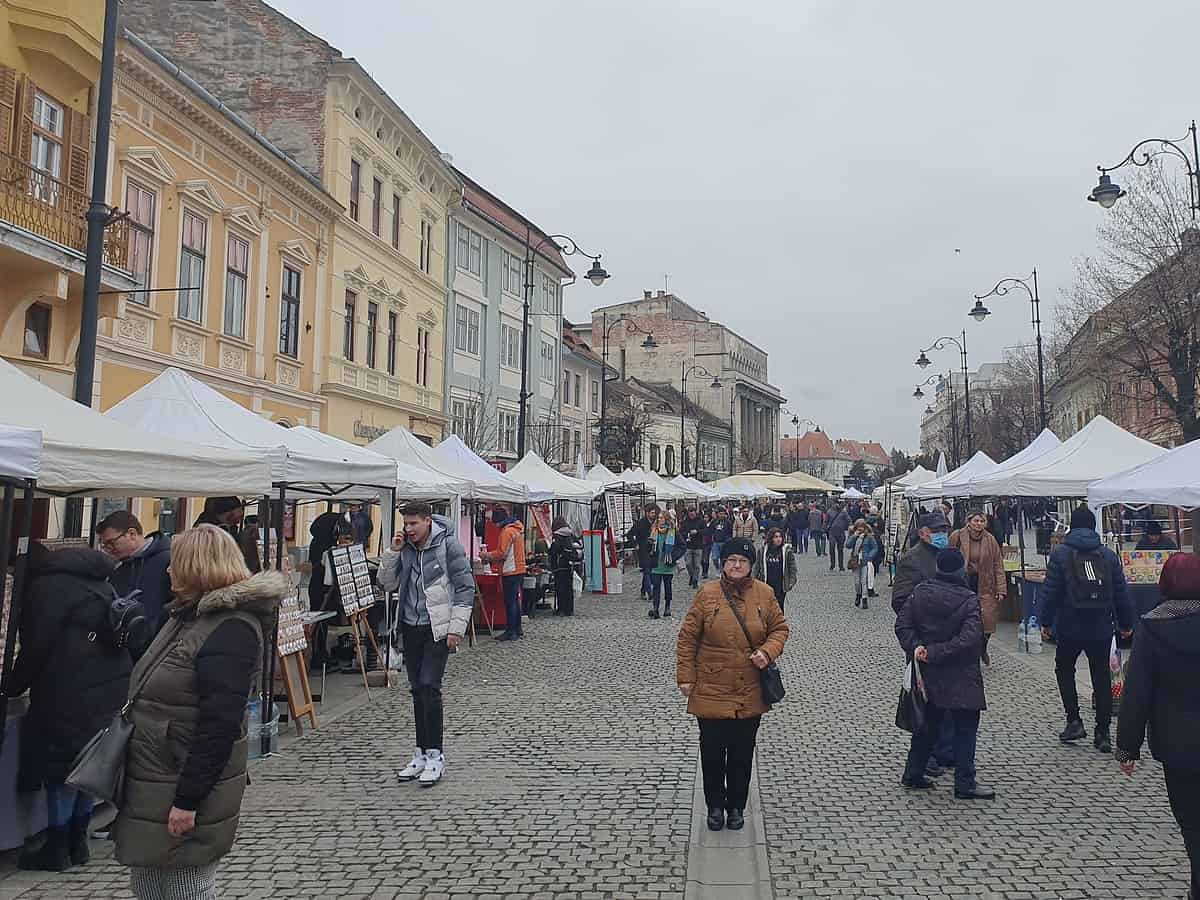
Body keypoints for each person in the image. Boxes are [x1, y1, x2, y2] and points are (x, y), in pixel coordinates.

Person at [113, 525, 287, 898]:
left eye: (175, 564)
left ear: (197, 568)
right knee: (151, 883)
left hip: (183, 782)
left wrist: (188, 800)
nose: (167, 571)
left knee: (185, 886)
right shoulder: (188, 617)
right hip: (156, 779)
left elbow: (219, 724)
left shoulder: (231, 628)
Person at [5, 542, 131, 871]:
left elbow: (36, 646)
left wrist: (11, 686)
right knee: (88, 765)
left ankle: (57, 847)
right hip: (106, 685)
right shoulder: (96, 580)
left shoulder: (47, 587)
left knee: (61, 769)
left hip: (67, 687)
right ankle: (78, 841)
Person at [676, 538, 790, 832]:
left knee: (741, 753)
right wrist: (686, 676)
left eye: (742, 560)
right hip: (711, 685)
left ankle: (736, 807)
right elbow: (688, 637)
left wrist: (767, 652)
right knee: (712, 753)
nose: (736, 565)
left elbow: (780, 628)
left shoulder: (764, 594)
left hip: (749, 687)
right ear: (723, 564)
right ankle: (715, 806)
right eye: (731, 560)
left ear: (751, 565)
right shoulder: (707, 593)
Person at [1116, 553, 1200, 899]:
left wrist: (1127, 747)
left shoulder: (1153, 626)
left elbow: (1138, 691)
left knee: (1192, 823)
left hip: (1177, 744)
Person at [378, 502, 475, 787]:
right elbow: (386, 583)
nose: (408, 530)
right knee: (417, 690)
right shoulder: (405, 548)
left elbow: (465, 587)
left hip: (438, 628)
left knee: (430, 686)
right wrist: (393, 552)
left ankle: (436, 755)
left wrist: (456, 628)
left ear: (428, 521)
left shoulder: (449, 546)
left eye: (413, 524)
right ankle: (420, 752)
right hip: (410, 627)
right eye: (405, 525)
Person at [895, 547, 995, 800]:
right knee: (965, 728)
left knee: (927, 725)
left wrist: (919, 648)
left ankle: (913, 772)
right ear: (960, 569)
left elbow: (903, 625)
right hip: (960, 673)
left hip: (928, 672)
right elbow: (971, 638)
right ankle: (965, 783)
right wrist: (936, 651)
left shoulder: (920, 593)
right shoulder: (968, 599)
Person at [1040, 506, 1134, 753]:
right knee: (1101, 676)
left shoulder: (1060, 554)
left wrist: (1046, 622)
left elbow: (1049, 592)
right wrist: (1126, 624)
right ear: (1093, 526)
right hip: (1101, 625)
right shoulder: (1108, 555)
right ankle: (1103, 733)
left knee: (1064, 669)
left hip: (1070, 625)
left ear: (1072, 525)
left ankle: (1074, 721)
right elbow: (1122, 593)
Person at [97, 510, 173, 652]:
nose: (108, 549)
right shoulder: (117, 567)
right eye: (104, 545)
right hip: (125, 648)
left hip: (156, 648)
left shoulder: (169, 561)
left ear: (132, 534)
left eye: (111, 543)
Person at [949, 510, 1006, 665]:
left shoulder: (990, 539)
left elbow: (998, 564)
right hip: (963, 582)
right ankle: (967, 651)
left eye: (981, 521)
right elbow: (948, 558)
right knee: (965, 618)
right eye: (976, 521)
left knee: (987, 621)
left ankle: (982, 647)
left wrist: (1001, 588)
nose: (979, 524)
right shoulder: (957, 536)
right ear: (969, 521)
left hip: (985, 583)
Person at [481, 507, 527, 642]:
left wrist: (487, 555)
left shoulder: (507, 531)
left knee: (510, 602)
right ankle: (517, 629)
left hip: (510, 570)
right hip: (518, 568)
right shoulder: (516, 529)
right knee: (515, 601)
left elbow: (502, 552)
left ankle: (511, 631)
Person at [892, 511, 948, 616]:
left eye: (944, 530)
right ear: (921, 533)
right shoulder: (911, 559)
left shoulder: (949, 554)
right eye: (935, 531)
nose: (941, 534)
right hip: (926, 622)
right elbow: (900, 600)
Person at [649, 510, 684, 619]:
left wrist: (673, 557)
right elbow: (648, 547)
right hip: (656, 564)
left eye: (662, 518)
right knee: (656, 588)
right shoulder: (654, 531)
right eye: (658, 518)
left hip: (667, 565)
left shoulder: (673, 531)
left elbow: (682, 546)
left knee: (668, 587)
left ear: (667, 519)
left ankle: (667, 607)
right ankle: (655, 608)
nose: (659, 520)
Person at [753, 527, 796, 613]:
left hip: (780, 585)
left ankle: (779, 625)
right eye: (776, 537)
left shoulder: (787, 551)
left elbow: (792, 567)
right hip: (766, 584)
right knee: (766, 607)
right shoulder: (763, 551)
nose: (778, 539)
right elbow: (757, 566)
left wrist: (791, 582)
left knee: (779, 607)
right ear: (771, 538)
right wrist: (753, 580)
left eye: (780, 536)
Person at [548, 516, 583, 616]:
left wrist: (550, 551)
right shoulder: (570, 534)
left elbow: (554, 550)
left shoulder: (558, 536)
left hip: (560, 565)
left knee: (560, 588)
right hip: (570, 565)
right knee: (568, 588)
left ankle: (561, 609)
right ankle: (569, 609)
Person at [626, 504, 661, 602]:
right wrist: (635, 544)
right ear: (647, 513)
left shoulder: (657, 523)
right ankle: (650, 593)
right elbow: (629, 534)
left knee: (649, 571)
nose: (653, 515)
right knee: (647, 571)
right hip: (643, 549)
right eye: (652, 513)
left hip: (654, 549)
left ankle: (643, 590)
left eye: (655, 513)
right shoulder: (640, 523)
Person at [847, 519, 880, 608]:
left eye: (862, 527)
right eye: (858, 527)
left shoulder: (869, 537)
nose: (860, 529)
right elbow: (848, 545)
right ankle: (858, 594)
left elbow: (875, 548)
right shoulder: (854, 536)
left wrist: (870, 556)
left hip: (865, 561)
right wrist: (854, 536)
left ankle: (864, 599)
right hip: (855, 561)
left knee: (864, 581)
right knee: (857, 582)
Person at [680, 506, 707, 589]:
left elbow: (706, 531)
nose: (691, 513)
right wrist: (686, 534)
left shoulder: (701, 521)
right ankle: (692, 576)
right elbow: (681, 532)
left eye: (693, 512)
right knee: (688, 564)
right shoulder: (685, 522)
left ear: (696, 512)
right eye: (690, 512)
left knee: (697, 565)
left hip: (698, 546)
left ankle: (695, 580)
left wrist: (697, 531)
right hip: (688, 546)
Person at [708, 507, 733, 575]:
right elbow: (710, 530)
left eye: (723, 514)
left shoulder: (728, 522)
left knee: (723, 558)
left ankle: (722, 571)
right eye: (720, 514)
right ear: (718, 514)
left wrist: (728, 540)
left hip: (724, 542)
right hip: (715, 542)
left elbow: (731, 532)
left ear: (725, 514)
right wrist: (712, 537)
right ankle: (717, 568)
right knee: (714, 558)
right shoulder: (714, 521)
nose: (721, 515)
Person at [827, 504, 850, 572]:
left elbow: (848, 519)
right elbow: (826, 522)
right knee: (832, 547)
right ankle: (832, 564)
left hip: (841, 532)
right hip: (832, 532)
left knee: (840, 550)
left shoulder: (843, 512)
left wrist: (850, 525)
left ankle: (841, 566)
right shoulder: (829, 512)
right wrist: (824, 530)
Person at [700, 509, 714, 579]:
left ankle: (705, 572)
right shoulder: (702, 524)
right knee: (701, 559)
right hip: (701, 543)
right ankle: (703, 570)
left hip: (708, 543)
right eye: (704, 517)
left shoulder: (711, 524)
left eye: (707, 517)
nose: (705, 518)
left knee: (706, 558)